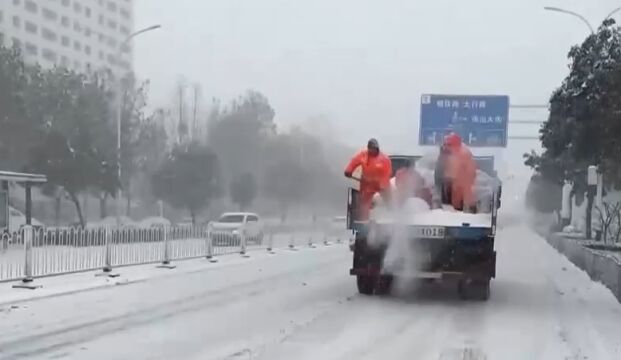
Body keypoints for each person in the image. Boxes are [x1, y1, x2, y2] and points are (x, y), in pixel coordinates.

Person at [344, 138, 392, 220]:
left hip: (381, 184)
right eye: (370, 148)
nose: (372, 150)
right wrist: (349, 170)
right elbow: (354, 162)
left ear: (377, 148)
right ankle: (364, 221)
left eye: (374, 148)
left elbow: (387, 173)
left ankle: (391, 217)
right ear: (368, 148)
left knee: (389, 201)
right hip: (366, 184)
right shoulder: (363, 155)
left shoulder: (384, 159)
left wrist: (382, 184)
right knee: (364, 204)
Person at [435, 133, 477, 212]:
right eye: (445, 144)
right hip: (447, 189)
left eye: (449, 144)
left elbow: (470, 175)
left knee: (457, 212)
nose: (446, 146)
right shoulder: (444, 156)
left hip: (460, 190)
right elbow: (438, 175)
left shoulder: (464, 155)